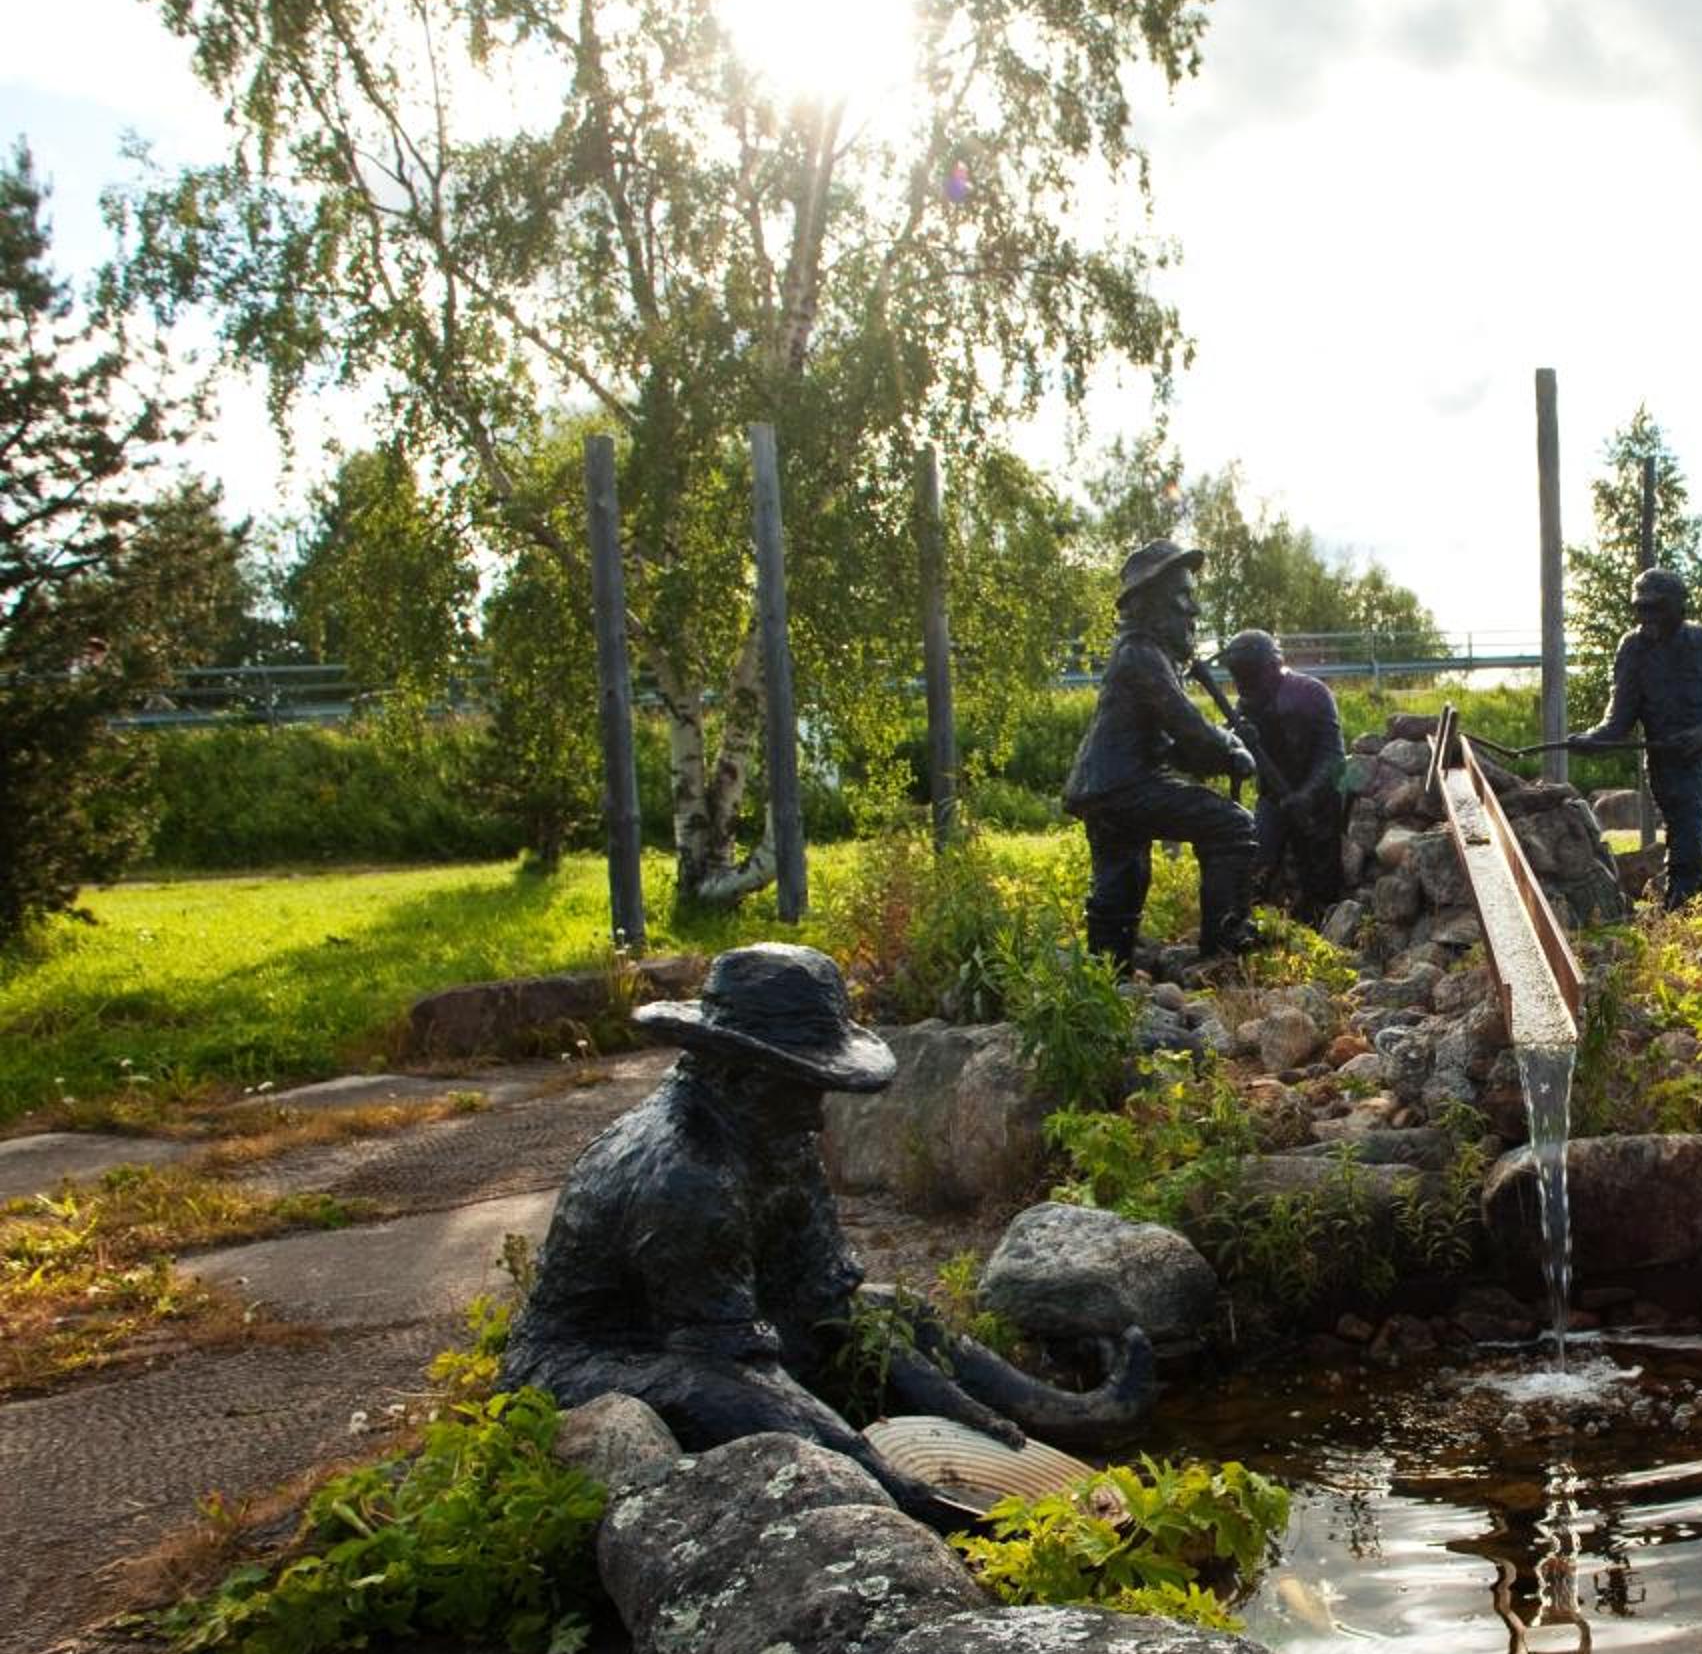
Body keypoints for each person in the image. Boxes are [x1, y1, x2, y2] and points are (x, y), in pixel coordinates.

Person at [500, 943, 1157, 1517]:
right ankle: (899, 1496)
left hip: (721, 1328)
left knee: (902, 1312)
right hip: (598, 1359)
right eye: (802, 1086)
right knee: (727, 1397)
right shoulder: (687, 1175)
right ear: (736, 1070)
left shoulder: (771, 1135)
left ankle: (1063, 1413)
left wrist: (959, 1404)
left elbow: (826, 1299)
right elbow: (731, 1364)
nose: (817, 1116)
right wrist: (874, 1461)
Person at [1063, 539, 1261, 968]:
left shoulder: (1139, 653)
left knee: (1123, 874)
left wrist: (1217, 748)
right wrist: (1229, 748)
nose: (1194, 610)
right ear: (1151, 603)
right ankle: (1224, 948)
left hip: (1105, 787)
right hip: (1123, 786)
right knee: (1232, 825)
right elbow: (1188, 727)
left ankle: (1107, 970)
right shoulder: (1142, 655)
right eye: (1182, 597)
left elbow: (1172, 746)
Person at [1568, 566, 1702, 908]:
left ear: (1679, 606)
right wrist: (1592, 741)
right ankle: (1679, 914)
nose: (1647, 617)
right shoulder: (1633, 649)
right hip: (1669, 767)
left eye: (1656, 607)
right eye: (1641, 608)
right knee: (1689, 847)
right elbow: (1619, 721)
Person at [1215, 628, 1349, 923]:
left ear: (1273, 667)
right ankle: (1247, 922)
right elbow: (1227, 751)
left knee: (1320, 879)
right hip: (1274, 799)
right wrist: (1233, 744)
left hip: (1318, 803)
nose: (1243, 686)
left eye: (1250, 676)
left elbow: (1333, 756)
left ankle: (1322, 921)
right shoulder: (1245, 706)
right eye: (1239, 678)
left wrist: (1307, 795)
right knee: (1256, 866)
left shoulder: (1311, 694)